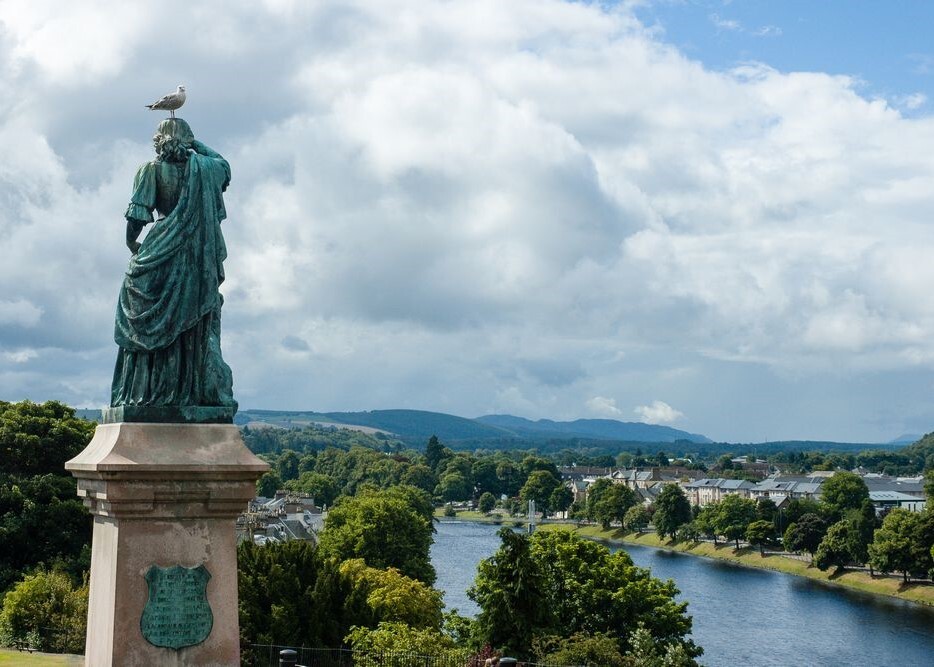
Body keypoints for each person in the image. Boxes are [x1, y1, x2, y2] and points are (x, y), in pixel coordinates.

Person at [110, 118, 237, 413]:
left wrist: (132, 244)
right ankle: (185, 391)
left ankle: (146, 393)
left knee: (143, 319)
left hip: (160, 248)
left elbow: (138, 214)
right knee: (190, 325)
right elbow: (223, 163)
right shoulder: (206, 168)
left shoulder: (150, 170)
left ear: (159, 141)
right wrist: (195, 145)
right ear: (188, 139)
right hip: (196, 253)